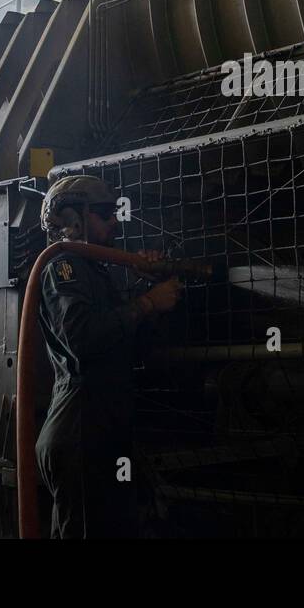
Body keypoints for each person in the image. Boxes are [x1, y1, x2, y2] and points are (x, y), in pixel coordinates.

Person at [34, 175, 182, 539]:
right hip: (80, 430)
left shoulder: (96, 271)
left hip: (102, 429)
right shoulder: (62, 267)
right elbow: (82, 338)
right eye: (104, 213)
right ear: (74, 219)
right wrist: (147, 303)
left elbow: (128, 342)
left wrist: (149, 287)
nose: (115, 221)